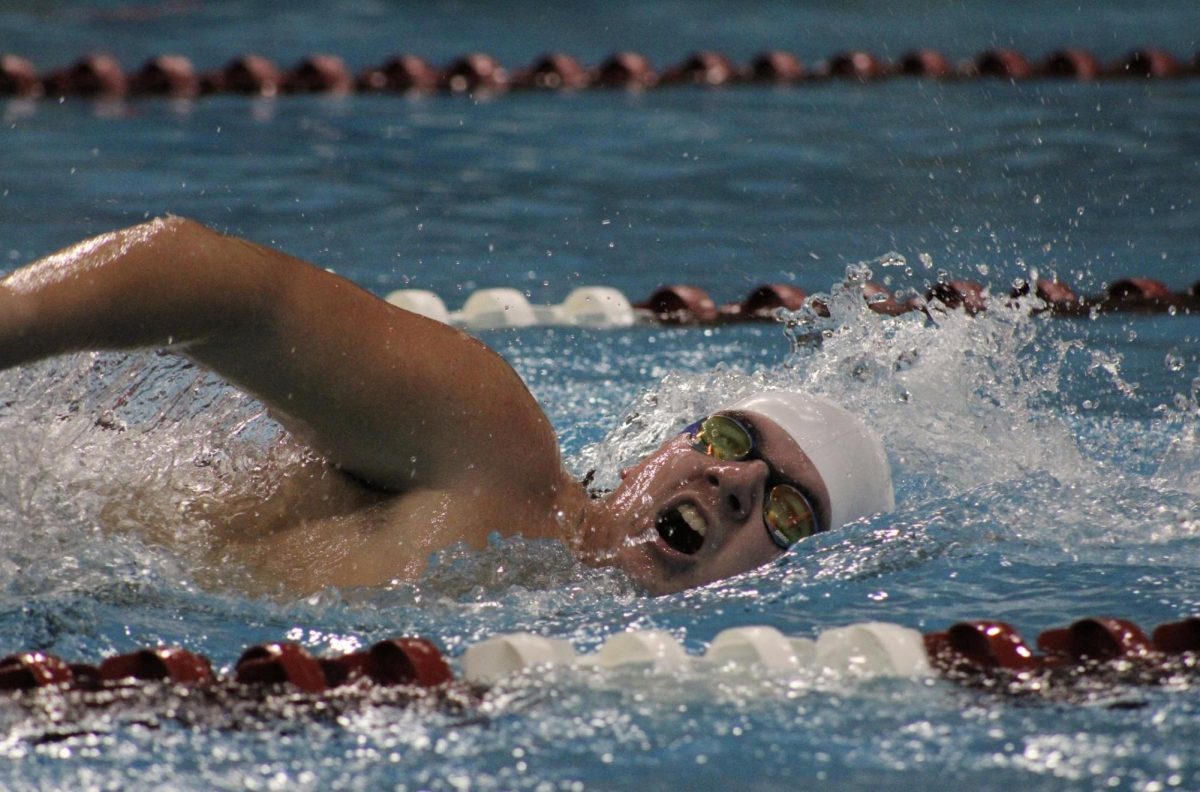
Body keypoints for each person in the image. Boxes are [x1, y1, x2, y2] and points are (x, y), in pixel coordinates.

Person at [0, 216, 894, 595]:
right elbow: (220, 284)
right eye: (735, 437)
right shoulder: (492, 449)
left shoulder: (548, 618)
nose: (737, 480)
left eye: (786, 509)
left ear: (788, 582)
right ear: (647, 456)